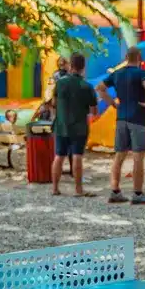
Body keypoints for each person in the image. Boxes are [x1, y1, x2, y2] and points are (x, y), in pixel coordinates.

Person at [97, 47, 145, 205]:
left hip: (121, 118)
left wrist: (112, 103)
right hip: (137, 118)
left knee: (119, 155)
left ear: (125, 57)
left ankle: (115, 191)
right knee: (138, 156)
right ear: (139, 58)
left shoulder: (117, 73)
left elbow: (100, 88)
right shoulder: (141, 73)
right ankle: (137, 193)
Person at [50, 52, 97, 198]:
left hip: (61, 126)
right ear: (83, 67)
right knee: (77, 156)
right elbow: (94, 111)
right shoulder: (87, 86)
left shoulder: (60, 83)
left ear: (70, 65)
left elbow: (53, 103)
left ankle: (55, 188)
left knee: (59, 156)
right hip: (79, 127)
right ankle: (78, 189)